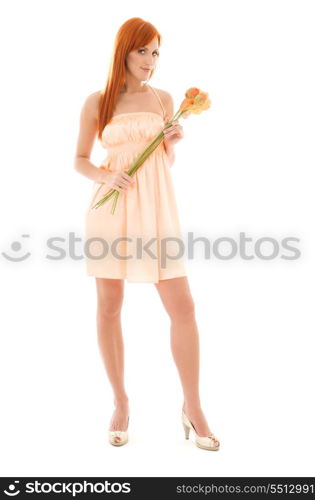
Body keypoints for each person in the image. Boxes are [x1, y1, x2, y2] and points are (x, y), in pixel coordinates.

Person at [74, 17, 220, 451]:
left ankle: (193, 408)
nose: (151, 61)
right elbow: (80, 159)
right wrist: (107, 174)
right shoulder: (97, 101)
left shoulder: (165, 99)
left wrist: (171, 142)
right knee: (109, 305)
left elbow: (163, 164)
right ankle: (120, 402)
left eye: (157, 53)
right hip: (111, 208)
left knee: (184, 307)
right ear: (125, 51)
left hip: (156, 210)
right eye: (144, 51)